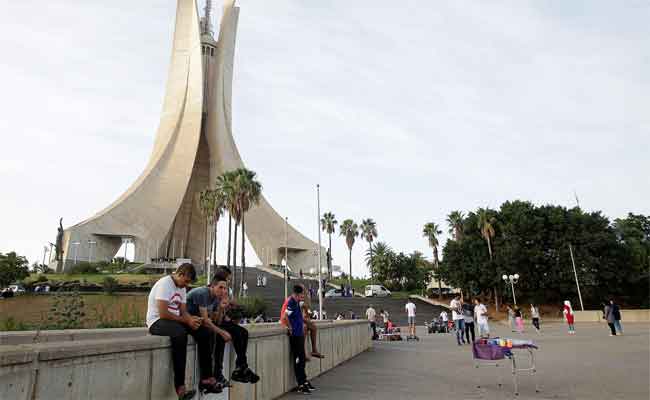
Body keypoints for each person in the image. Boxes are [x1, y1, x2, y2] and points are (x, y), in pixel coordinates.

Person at [186, 273, 259, 391]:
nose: (223, 290)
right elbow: (206, 320)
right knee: (216, 335)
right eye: (221, 287)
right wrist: (222, 332)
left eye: (225, 288)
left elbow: (217, 320)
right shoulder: (202, 293)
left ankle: (240, 367)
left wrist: (221, 307)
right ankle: (214, 375)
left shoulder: (216, 298)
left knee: (243, 332)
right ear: (212, 286)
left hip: (201, 323)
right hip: (189, 321)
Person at [147, 263, 204, 400]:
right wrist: (186, 321)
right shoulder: (165, 284)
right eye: (186, 281)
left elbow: (183, 312)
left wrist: (192, 320)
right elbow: (163, 314)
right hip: (156, 322)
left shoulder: (182, 287)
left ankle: (207, 377)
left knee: (203, 331)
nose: (186, 285)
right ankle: (180, 387)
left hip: (174, 321)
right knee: (180, 334)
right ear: (180, 274)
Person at [282, 285, 315, 394]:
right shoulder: (291, 302)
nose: (303, 296)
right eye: (301, 295)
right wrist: (290, 327)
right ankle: (300, 383)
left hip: (299, 334)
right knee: (298, 359)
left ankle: (304, 381)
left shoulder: (296, 302)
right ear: (297, 294)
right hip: (295, 335)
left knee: (302, 359)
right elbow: (285, 317)